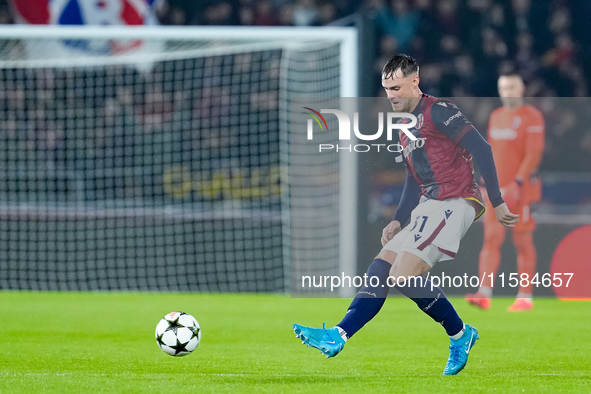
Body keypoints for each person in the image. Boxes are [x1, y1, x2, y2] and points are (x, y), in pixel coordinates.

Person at [292, 54, 519, 376]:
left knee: (402, 276)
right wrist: (399, 218)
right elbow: (415, 177)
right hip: (429, 204)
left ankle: (460, 334)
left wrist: (497, 201)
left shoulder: (439, 110)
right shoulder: (405, 127)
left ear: (415, 80)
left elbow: (482, 148)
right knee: (381, 266)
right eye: (386, 89)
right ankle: (338, 334)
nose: (392, 95)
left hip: (454, 200)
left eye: (397, 87)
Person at [466, 73, 545, 311]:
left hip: (522, 191)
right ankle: (484, 293)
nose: (507, 91)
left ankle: (525, 297)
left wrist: (518, 183)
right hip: (496, 190)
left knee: (522, 240)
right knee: (491, 239)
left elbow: (534, 154)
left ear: (521, 89)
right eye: (503, 87)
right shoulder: (496, 116)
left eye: (511, 86)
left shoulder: (532, 117)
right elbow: (492, 152)